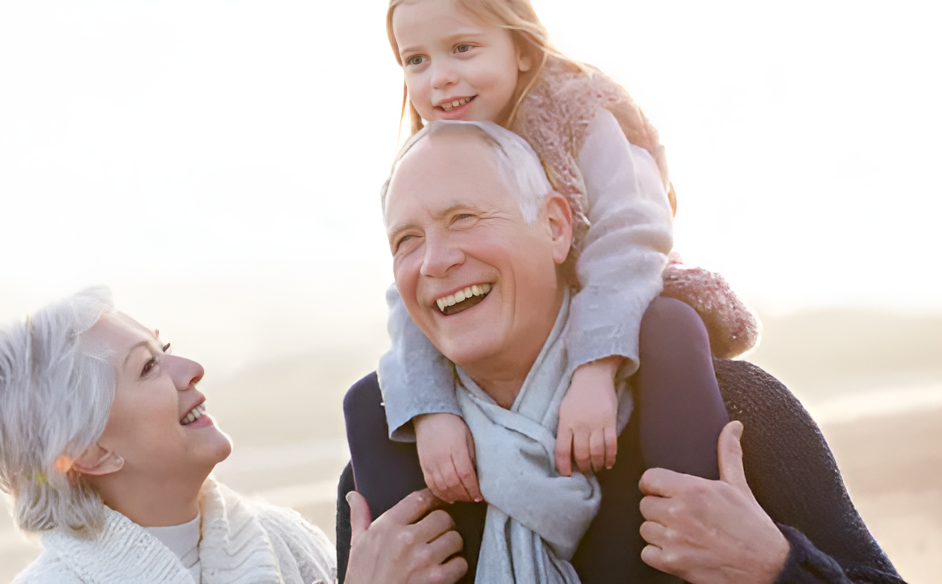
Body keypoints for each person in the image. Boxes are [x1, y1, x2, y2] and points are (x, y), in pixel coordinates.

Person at [340, 121, 904, 583]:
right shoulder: (385, 480)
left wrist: (775, 567)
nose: (435, 261)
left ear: (556, 226)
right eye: (405, 240)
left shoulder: (733, 409)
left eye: (463, 217)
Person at [378, 0, 754, 510]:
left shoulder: (579, 114)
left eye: (462, 49)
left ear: (523, 51)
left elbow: (630, 234)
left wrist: (595, 369)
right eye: (415, 60)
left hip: (619, 299)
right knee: (368, 400)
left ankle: (691, 509)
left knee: (670, 326)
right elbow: (415, 294)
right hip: (517, 327)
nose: (439, 78)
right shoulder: (433, 159)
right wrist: (430, 411)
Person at [0, 287, 467, 584]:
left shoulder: (281, 540)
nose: (192, 370)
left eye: (167, 348)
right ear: (92, 451)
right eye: (147, 368)